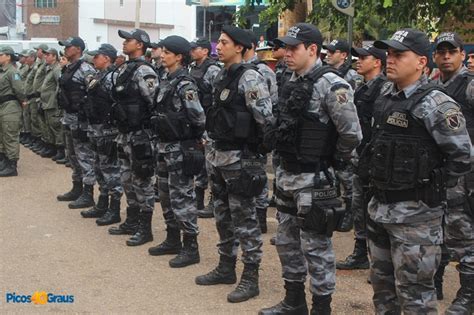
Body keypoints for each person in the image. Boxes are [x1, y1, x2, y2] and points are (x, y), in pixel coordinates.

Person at [360, 28, 472, 314]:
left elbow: (462, 156)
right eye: (389, 54)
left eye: (399, 54)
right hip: (381, 210)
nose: (390, 59)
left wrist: (429, 186)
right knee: (383, 292)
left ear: (422, 62)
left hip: (417, 218)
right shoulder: (386, 97)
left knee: (416, 297)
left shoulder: (436, 104)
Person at [258, 23, 361, 315]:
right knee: (287, 242)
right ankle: (294, 301)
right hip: (288, 176)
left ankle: (321, 308)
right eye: (286, 48)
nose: (287, 54)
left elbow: (352, 134)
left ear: (313, 49)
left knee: (316, 248)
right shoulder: (290, 80)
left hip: (315, 179)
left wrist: (330, 158)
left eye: (294, 48)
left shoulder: (332, 84)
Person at [194, 25, 273, 303]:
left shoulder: (250, 77)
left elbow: (265, 119)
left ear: (239, 47)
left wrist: (256, 154)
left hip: (240, 159)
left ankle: (250, 277)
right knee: (222, 215)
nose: (219, 46)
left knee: (245, 219)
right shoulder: (222, 75)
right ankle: (226, 266)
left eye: (225, 42)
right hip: (218, 156)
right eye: (219, 42)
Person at [147, 35, 205, 267]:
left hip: (180, 148)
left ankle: (191, 246)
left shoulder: (185, 84)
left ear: (179, 56)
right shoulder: (165, 79)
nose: (162, 55)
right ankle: (172, 239)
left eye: (167, 53)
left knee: (182, 197)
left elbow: (199, 117)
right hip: (164, 146)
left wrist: (188, 136)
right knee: (166, 195)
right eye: (162, 51)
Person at [432, 31, 474, 314]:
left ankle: (468, 295)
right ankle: (434, 281)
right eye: (441, 51)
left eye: (452, 51)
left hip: (467, 175)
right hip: (441, 172)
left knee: (465, 234)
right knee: (440, 228)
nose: (446, 56)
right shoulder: (433, 86)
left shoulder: (470, 86)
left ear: (462, 55)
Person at [336, 44, 388, 271]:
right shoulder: (362, 87)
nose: (359, 61)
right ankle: (360, 252)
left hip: (376, 158)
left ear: (377, 62)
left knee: (375, 210)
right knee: (359, 206)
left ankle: (379, 260)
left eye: (364, 57)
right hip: (361, 157)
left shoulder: (384, 88)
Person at [107, 29, 158, 247]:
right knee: (127, 179)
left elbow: (154, 101)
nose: (124, 43)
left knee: (142, 180)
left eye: (128, 40)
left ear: (140, 45)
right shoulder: (125, 68)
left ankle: (145, 229)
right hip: (124, 133)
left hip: (140, 135)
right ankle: (131, 220)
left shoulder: (144, 70)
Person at [80, 44, 124, 228]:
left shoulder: (113, 77)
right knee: (98, 167)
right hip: (95, 128)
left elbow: (117, 104)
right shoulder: (99, 75)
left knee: (111, 170)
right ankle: (103, 203)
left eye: (96, 56)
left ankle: (114, 210)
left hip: (108, 130)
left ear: (106, 58)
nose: (93, 59)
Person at [56, 37, 97, 209]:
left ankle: (88, 193)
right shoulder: (69, 67)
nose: (65, 49)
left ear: (79, 49)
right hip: (69, 117)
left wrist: (85, 115)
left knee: (84, 156)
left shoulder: (85, 68)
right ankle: (77, 187)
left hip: (80, 120)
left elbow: (94, 92)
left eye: (69, 46)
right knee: (72, 154)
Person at [244, 29, 278, 234]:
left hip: (257, 133)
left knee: (259, 177)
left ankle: (260, 217)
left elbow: (269, 103)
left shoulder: (263, 71)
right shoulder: (234, 70)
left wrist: (265, 135)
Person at [189, 37, 221, 219]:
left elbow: (217, 98)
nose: (192, 51)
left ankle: (213, 201)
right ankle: (198, 198)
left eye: (196, 48)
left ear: (206, 51)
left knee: (210, 164)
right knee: (199, 163)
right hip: (196, 121)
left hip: (209, 121)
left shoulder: (212, 69)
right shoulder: (193, 69)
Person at [0, 46, 26, 176]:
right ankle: (4, 160)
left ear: (8, 56)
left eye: (1, 55)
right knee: (3, 135)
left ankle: (12, 165)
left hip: (10, 107)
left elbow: (19, 89)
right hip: (3, 107)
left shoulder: (12, 72)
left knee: (10, 135)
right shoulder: (3, 71)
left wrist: (23, 101)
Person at [39, 48, 64, 160]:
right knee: (49, 126)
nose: (46, 57)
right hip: (47, 103)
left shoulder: (56, 69)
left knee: (56, 127)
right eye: (46, 55)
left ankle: (61, 150)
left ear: (54, 56)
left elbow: (59, 85)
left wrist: (55, 99)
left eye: (48, 55)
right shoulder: (49, 69)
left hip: (53, 104)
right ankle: (53, 147)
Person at [30, 44, 49, 155]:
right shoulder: (40, 63)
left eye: (38, 50)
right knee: (39, 121)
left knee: (46, 123)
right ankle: (42, 142)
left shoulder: (45, 64)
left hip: (44, 98)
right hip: (37, 96)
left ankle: (50, 145)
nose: (37, 52)